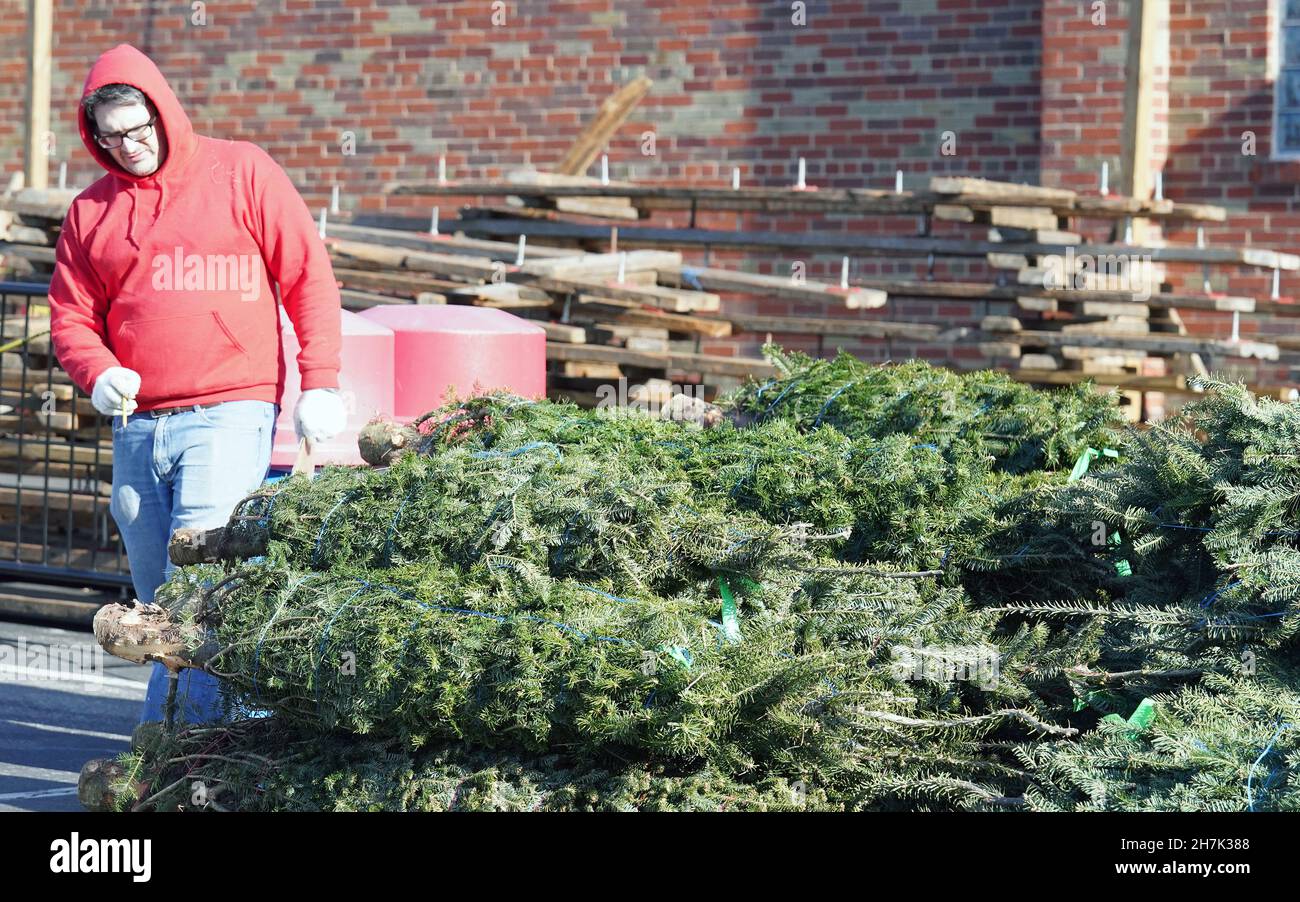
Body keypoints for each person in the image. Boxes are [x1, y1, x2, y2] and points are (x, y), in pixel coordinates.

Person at [47, 44, 348, 723]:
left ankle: (171, 751)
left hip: (228, 410)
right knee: (158, 601)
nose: (129, 146)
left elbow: (307, 275)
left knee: (197, 590)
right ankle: (241, 737)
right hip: (138, 422)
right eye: (112, 136)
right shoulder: (90, 212)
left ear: (163, 111)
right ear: (94, 138)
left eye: (139, 127)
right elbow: (69, 315)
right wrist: (97, 373)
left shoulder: (241, 171)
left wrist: (320, 380)